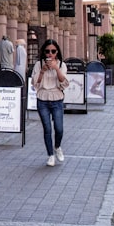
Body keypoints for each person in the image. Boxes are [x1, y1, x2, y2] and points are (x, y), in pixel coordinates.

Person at [31, 38, 69, 167]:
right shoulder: (38, 65)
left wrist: (56, 69)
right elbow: (35, 83)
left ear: (57, 52)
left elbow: (64, 82)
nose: (50, 54)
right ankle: (50, 155)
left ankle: (57, 147)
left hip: (57, 99)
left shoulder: (61, 64)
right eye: (47, 51)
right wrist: (42, 71)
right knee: (47, 128)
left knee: (59, 128)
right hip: (43, 99)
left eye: (53, 51)